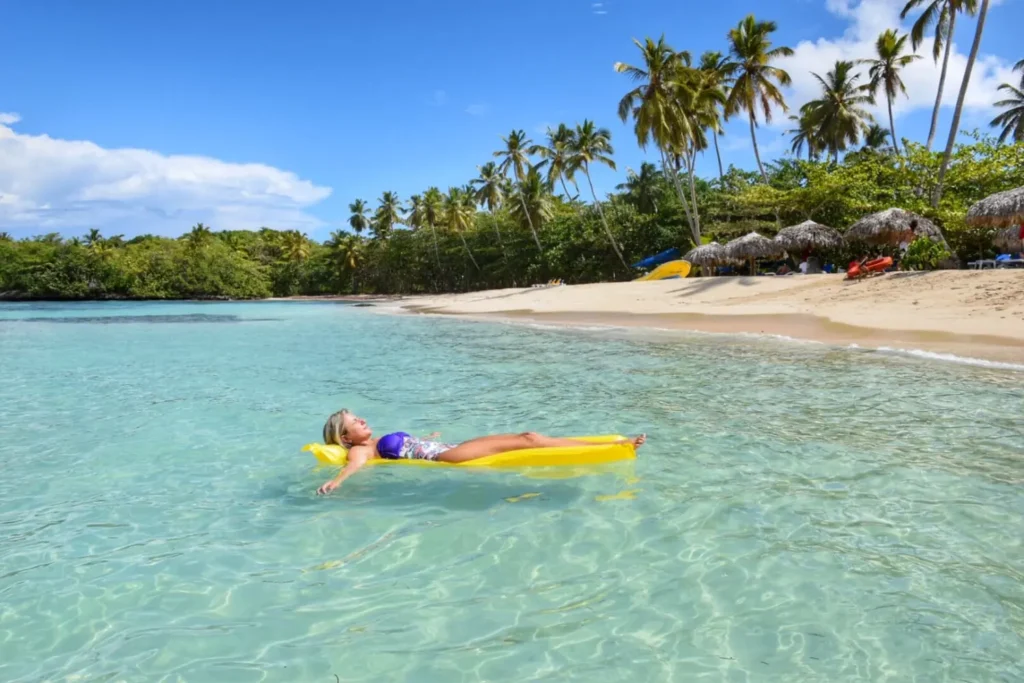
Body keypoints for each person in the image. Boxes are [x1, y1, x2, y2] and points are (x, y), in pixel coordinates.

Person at [316, 409, 647, 495]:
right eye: (353, 421)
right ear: (345, 438)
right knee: (529, 438)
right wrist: (337, 483)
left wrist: (427, 436)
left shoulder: (374, 443)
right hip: (448, 458)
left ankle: (608, 445)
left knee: (529, 437)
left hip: (449, 448)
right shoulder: (359, 452)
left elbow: (409, 446)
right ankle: (614, 447)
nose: (361, 419)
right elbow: (352, 468)